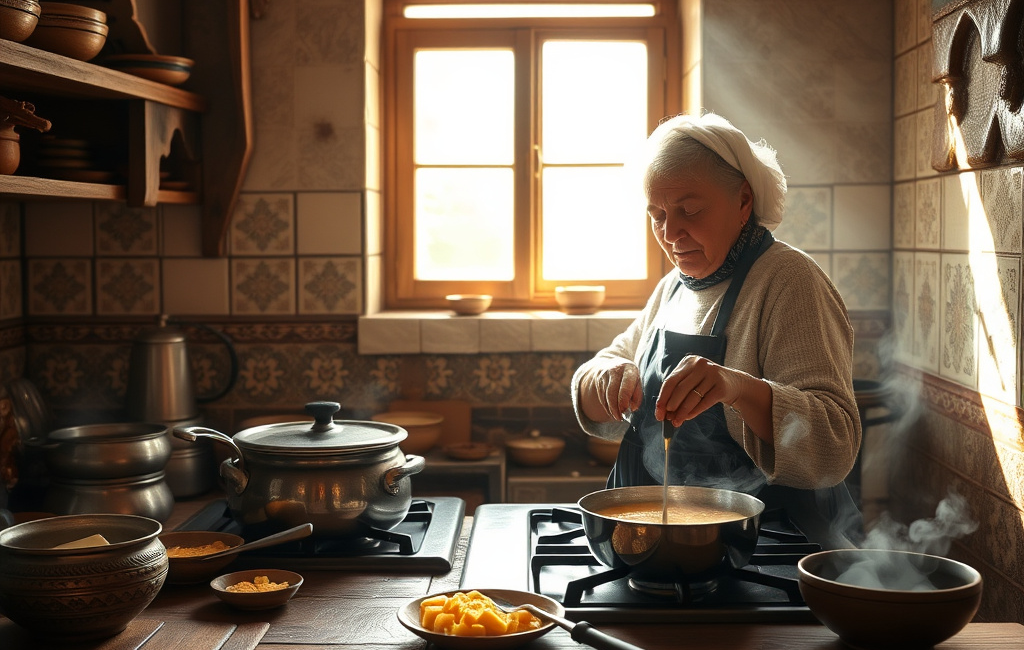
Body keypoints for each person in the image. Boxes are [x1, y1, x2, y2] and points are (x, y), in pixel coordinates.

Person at [571, 112, 862, 549]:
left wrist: (738, 388)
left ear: (743, 201)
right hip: (657, 544)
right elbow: (597, 381)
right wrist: (604, 378)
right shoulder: (674, 289)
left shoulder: (789, 280)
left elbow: (834, 443)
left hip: (766, 550)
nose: (671, 233)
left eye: (689, 210)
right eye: (657, 215)